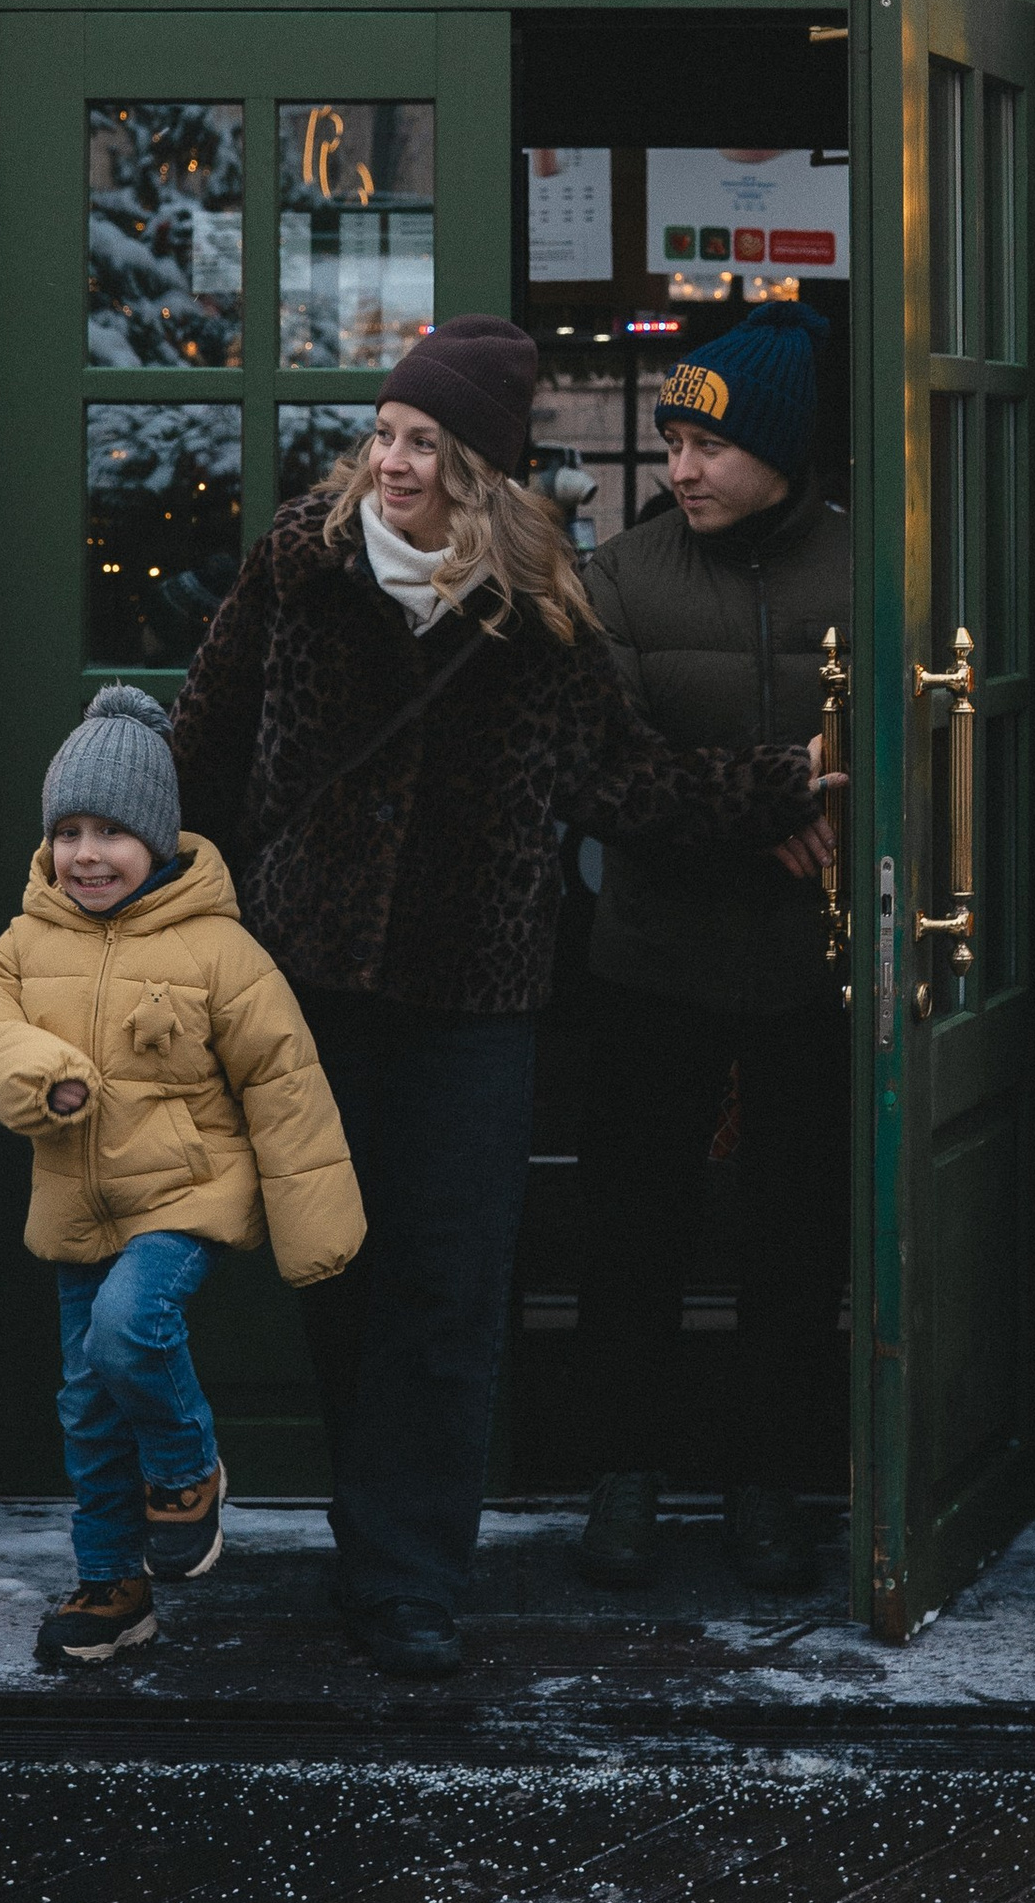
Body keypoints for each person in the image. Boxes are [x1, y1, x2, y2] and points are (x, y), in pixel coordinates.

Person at [169, 315, 823, 1680]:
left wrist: (783, 782)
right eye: (388, 435)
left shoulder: (539, 613)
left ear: (481, 467)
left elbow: (622, 778)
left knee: (450, 1290)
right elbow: (205, 741)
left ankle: (411, 1580)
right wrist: (159, 907)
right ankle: (366, 1535)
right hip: (314, 989)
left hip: (478, 1000)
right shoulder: (301, 565)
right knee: (340, 1278)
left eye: (426, 444)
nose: (394, 463)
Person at [0, 683, 363, 1669]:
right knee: (87, 1407)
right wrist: (44, 1074)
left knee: (130, 1328)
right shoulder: (24, 941)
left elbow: (284, 1081)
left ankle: (187, 1470)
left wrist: (319, 1231)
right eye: (70, 831)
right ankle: (112, 1583)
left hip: (183, 1195)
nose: (87, 854)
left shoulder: (216, 946)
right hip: (75, 1207)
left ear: (160, 839)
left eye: (112, 833)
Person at [574, 307, 854, 1599]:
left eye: (709, 442)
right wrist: (765, 810)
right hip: (654, 958)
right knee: (635, 1227)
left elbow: (915, 742)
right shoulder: (620, 578)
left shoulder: (869, 572)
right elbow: (606, 772)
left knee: (795, 1243)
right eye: (673, 440)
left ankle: (768, 1484)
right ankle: (620, 1475)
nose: (683, 466)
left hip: (814, 967)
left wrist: (843, 808)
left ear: (781, 447)